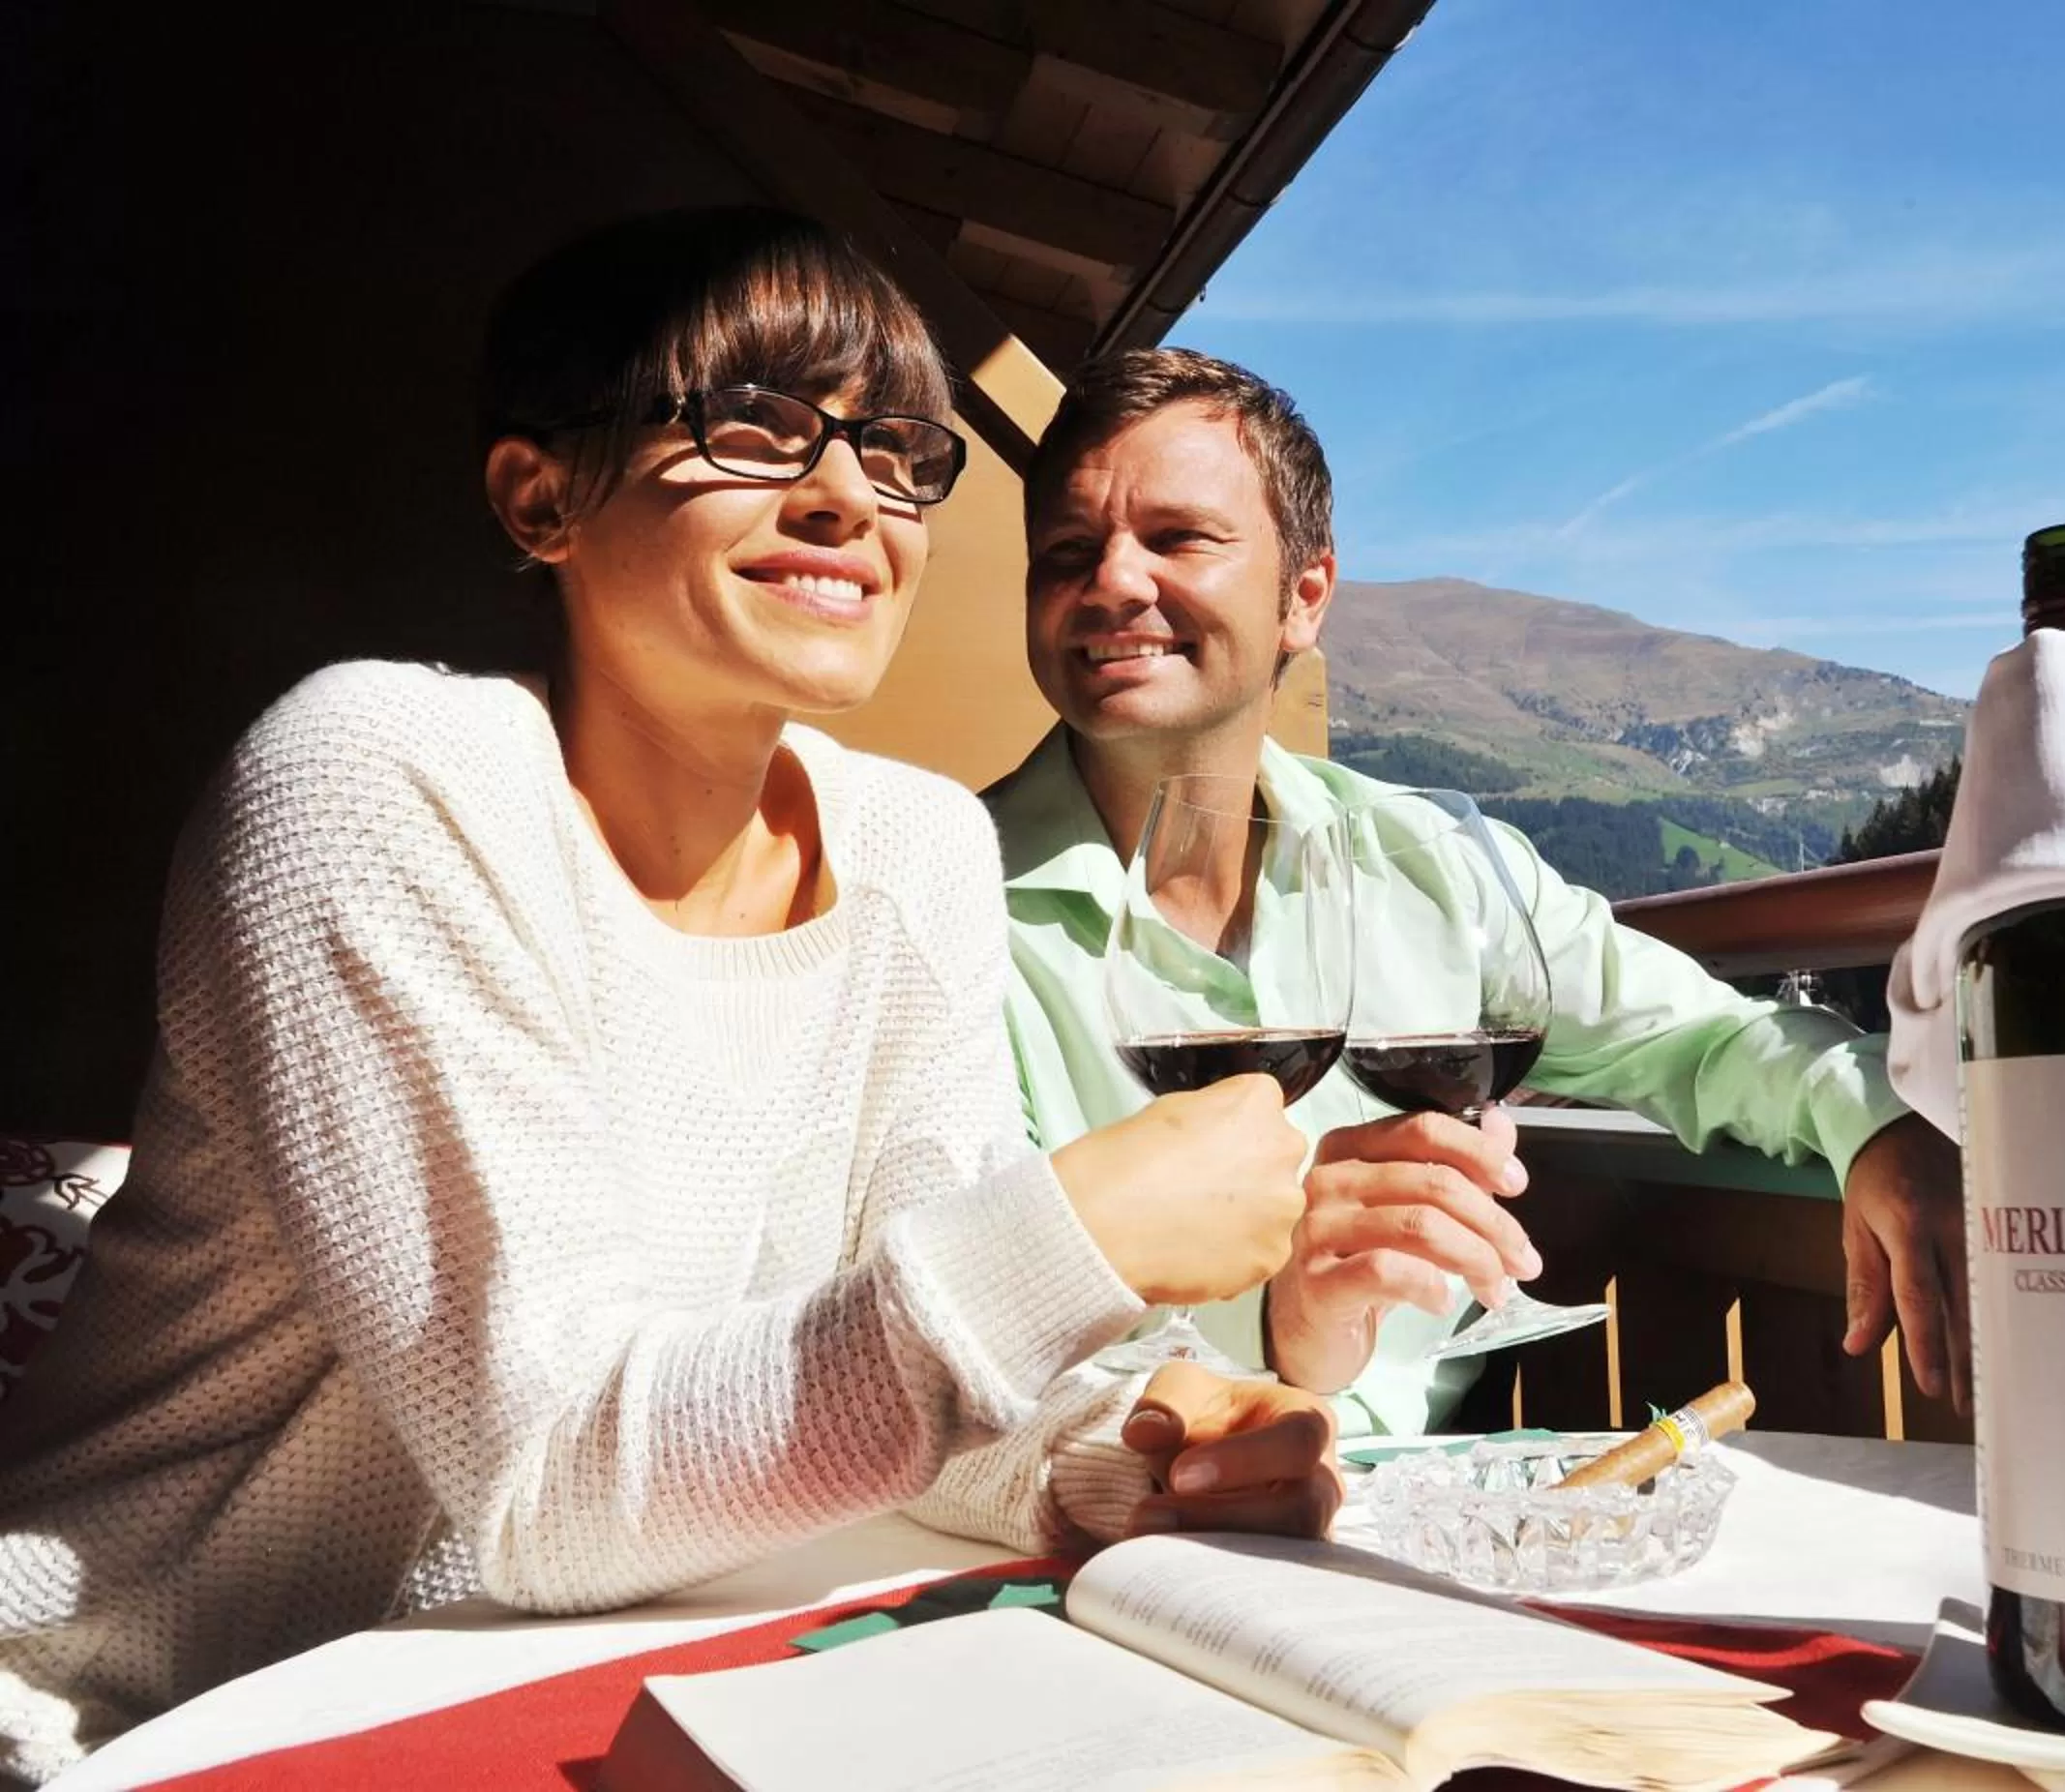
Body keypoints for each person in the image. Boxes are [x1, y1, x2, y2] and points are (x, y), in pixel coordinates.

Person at [0, 211, 1337, 1784]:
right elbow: (552, 1481)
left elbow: (892, 1376)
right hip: (131, 1724)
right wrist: (1068, 1237)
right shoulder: (379, 787)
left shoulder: (917, 855)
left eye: (902, 451)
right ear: (542, 493)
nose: (851, 495)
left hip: (584, 1690)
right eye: (756, 425)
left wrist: (1135, 1457)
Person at [989, 347, 1970, 1437]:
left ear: (1303, 596)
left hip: (1440, 1514)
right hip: (1122, 1537)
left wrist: (1881, 1119)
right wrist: (1272, 1335)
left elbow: (1705, 1039)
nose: (1114, 582)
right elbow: (981, 1349)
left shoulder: (1429, 862)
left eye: (1177, 538)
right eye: (1067, 553)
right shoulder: (946, 915)